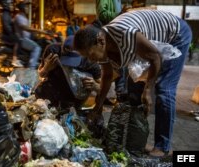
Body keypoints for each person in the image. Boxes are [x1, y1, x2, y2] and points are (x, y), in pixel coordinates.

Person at [73, 9, 192, 157]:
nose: (91, 60)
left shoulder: (125, 34)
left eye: (90, 55)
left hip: (176, 34)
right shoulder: (102, 48)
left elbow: (155, 57)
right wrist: (98, 106)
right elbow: (107, 76)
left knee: (164, 89)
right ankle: (136, 141)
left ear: (101, 42)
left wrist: (148, 90)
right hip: (152, 44)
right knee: (134, 91)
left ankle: (163, 146)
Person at [35, 35, 101, 110]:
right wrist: (46, 69)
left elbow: (103, 89)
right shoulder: (53, 51)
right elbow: (41, 75)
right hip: (51, 91)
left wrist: (95, 86)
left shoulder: (90, 60)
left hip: (74, 98)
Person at [13, 1, 44, 68]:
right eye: (26, 7)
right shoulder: (18, 17)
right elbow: (25, 28)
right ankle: (31, 67)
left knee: (41, 41)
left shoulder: (24, 18)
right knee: (37, 48)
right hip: (22, 40)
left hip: (27, 39)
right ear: (22, 8)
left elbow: (29, 30)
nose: (28, 9)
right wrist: (40, 31)